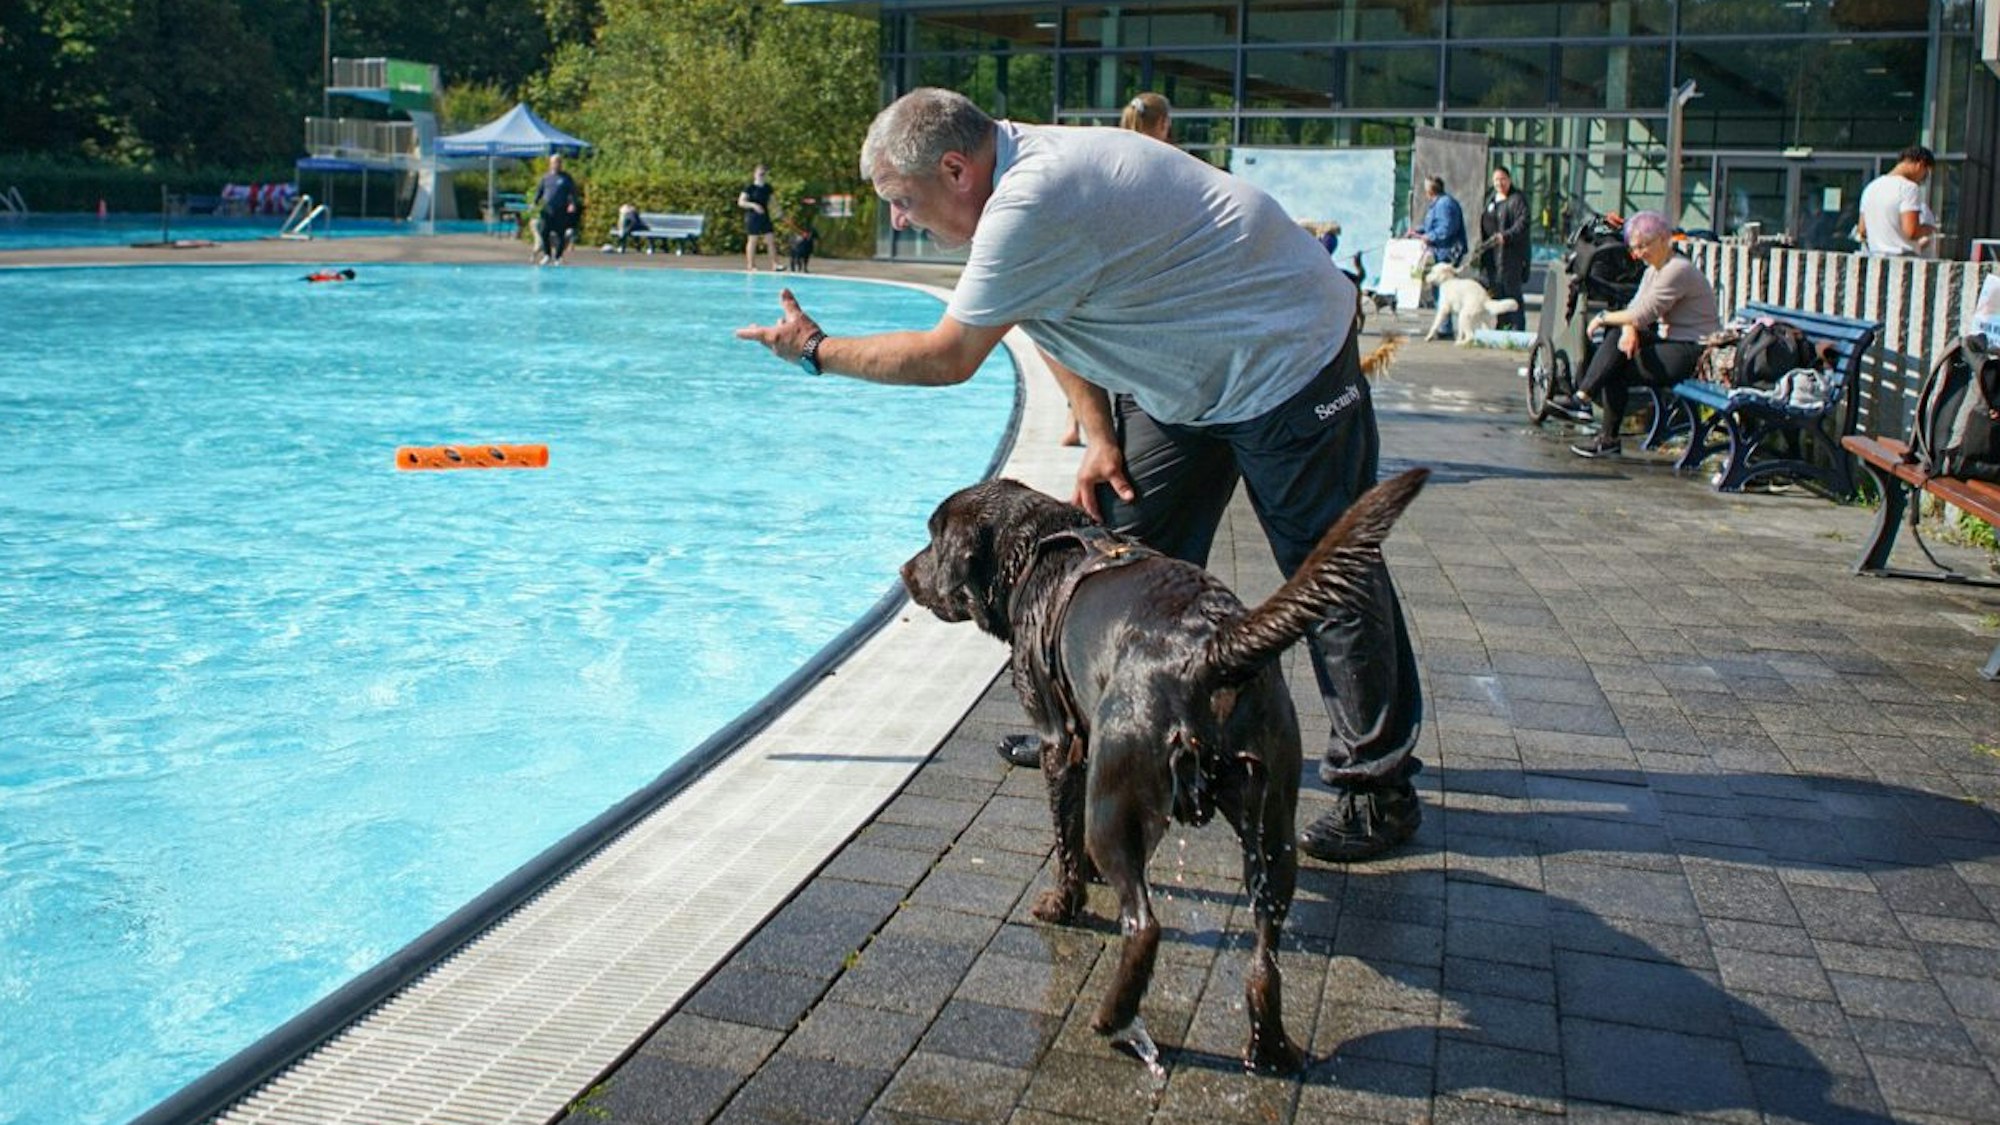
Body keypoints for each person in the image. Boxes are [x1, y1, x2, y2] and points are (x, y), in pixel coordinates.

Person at [736, 87, 1426, 863]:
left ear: (956, 169)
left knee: (1326, 571)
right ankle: (1095, 728)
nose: (899, 218)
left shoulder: (1031, 200)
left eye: (901, 200)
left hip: (1285, 356)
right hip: (1187, 377)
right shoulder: (1009, 184)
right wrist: (1098, 433)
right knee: (1127, 551)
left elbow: (948, 357)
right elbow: (1045, 312)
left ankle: (1379, 789)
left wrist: (818, 351)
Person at [1548, 210, 1722, 458]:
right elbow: (1635, 308)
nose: (1638, 254)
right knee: (1617, 340)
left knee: (1614, 365)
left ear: (1663, 239)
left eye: (1643, 246)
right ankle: (1587, 404)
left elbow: (1644, 312)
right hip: (1671, 341)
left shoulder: (1677, 270)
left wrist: (1603, 318)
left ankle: (1592, 412)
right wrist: (1628, 328)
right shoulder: (1654, 269)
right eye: (1635, 248)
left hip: (1693, 350)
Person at [1856, 145, 1937, 257]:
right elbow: (1911, 232)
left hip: (1875, 257)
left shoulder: (1871, 188)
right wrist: (1929, 229)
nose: (1923, 179)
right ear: (1920, 164)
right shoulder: (1909, 188)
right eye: (1926, 173)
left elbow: (1862, 229)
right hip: (1902, 258)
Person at [1479, 166, 1530, 331]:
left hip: (1510, 258)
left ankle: (1516, 328)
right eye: (1496, 180)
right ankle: (1502, 326)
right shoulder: (1492, 200)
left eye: (1502, 179)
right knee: (1498, 294)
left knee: (1512, 294)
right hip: (1492, 257)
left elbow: (1522, 224)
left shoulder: (1517, 199)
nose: (1499, 183)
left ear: (1509, 179)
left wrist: (1506, 236)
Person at [532, 154, 580, 265]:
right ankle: (547, 255)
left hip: (561, 210)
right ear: (550, 164)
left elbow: (572, 192)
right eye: (554, 162)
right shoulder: (546, 177)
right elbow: (539, 191)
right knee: (544, 232)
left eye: (558, 162)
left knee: (560, 234)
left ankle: (558, 257)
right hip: (547, 209)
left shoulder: (566, 178)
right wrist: (535, 202)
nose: (556, 165)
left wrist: (572, 204)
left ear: (561, 164)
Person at [1414, 176, 1467, 269]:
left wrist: (1429, 236)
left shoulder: (1444, 204)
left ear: (1430, 191)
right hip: (1439, 251)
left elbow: (1446, 229)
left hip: (1447, 252)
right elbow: (1431, 225)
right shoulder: (1438, 203)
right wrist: (1417, 232)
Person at [738, 164, 781, 271]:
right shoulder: (750, 188)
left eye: (764, 174)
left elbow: (773, 201)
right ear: (755, 174)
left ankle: (775, 264)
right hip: (753, 216)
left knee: (770, 240)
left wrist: (778, 211)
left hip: (765, 216)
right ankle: (751, 265)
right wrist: (753, 205)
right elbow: (741, 202)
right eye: (760, 174)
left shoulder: (767, 188)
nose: (762, 176)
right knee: (753, 240)